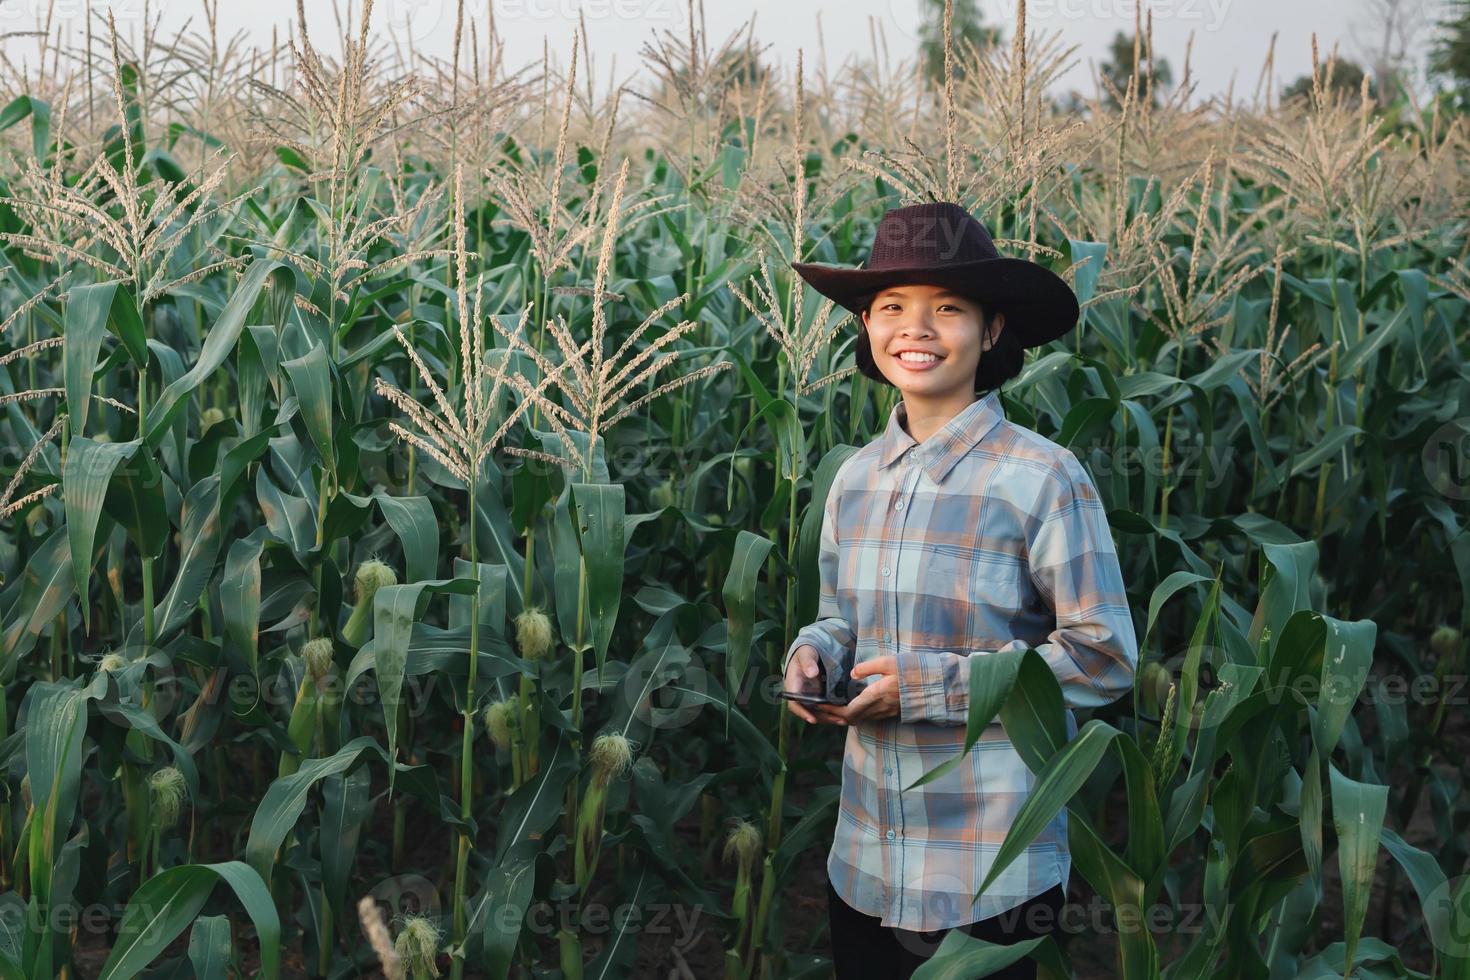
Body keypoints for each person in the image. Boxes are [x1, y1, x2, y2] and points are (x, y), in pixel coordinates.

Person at [782, 202, 1139, 979]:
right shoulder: (853, 479)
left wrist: (933, 688)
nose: (916, 329)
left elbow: (1104, 656)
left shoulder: (1042, 477)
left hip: (991, 871)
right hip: (867, 859)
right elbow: (841, 616)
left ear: (994, 330)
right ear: (869, 330)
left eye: (946, 309)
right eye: (892, 309)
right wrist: (812, 654)